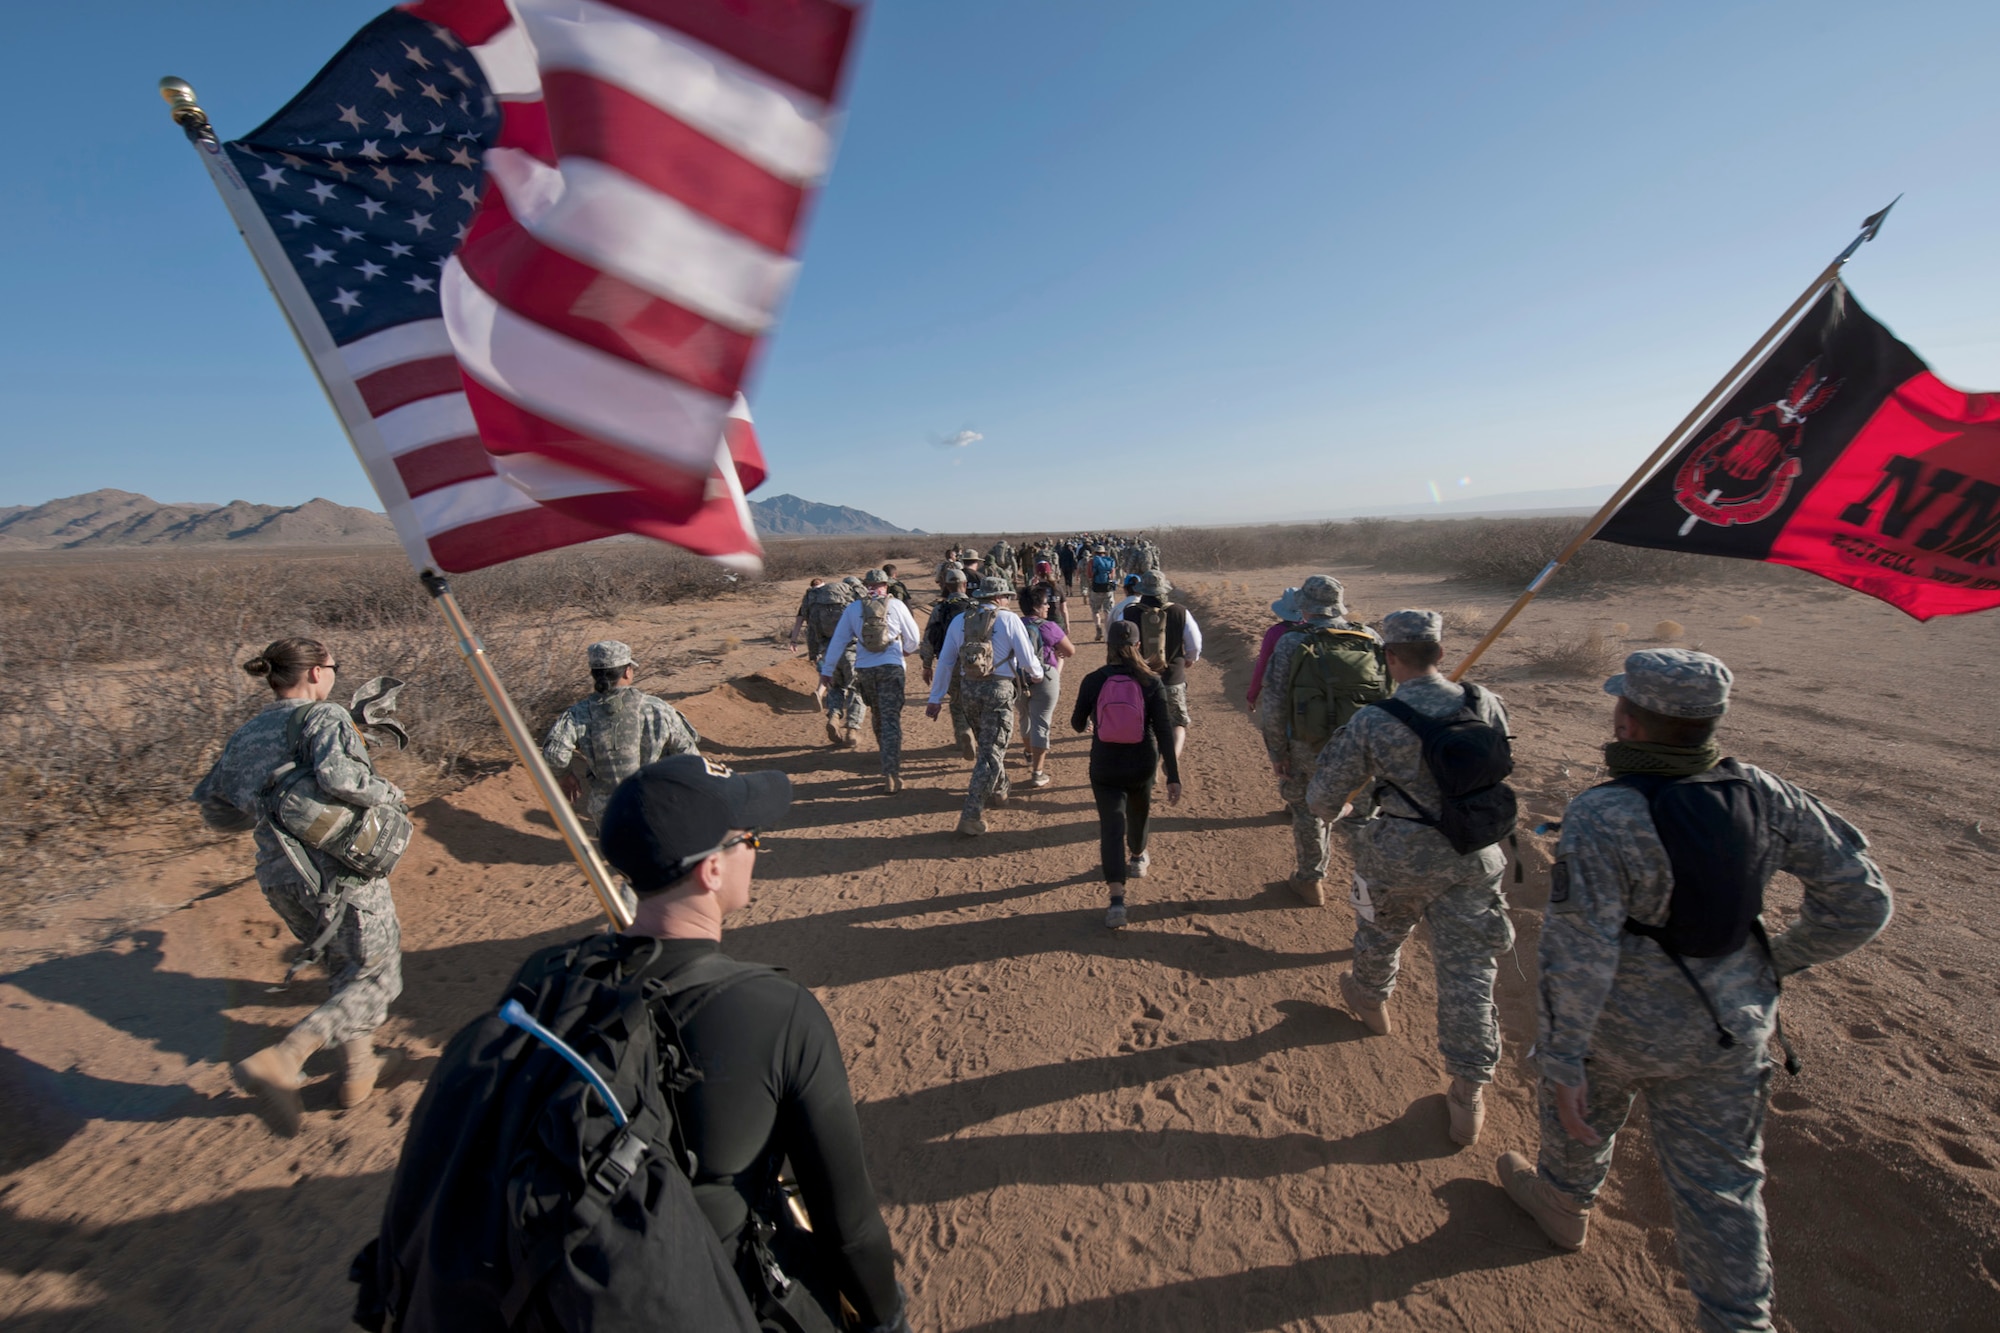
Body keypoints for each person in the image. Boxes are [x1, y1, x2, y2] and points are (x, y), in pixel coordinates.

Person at [1496, 650, 1890, 1333]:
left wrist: (1559, 1058)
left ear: (1629, 721)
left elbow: (1580, 946)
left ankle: (1563, 1201)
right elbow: (1863, 900)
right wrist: (1778, 963)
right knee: (1723, 1189)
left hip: (1618, 1027)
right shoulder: (1763, 793)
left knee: (1581, 1112)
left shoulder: (1604, 812)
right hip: (1728, 1030)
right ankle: (1739, 1320)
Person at [596, 756, 913, 1333]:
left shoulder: (546, 992)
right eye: (752, 838)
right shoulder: (776, 1012)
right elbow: (851, 1229)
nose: (758, 849)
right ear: (711, 870)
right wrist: (886, 1319)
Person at [1305, 609, 1512, 1148]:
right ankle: (1468, 1088)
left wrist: (1345, 814)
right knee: (1469, 969)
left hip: (1399, 852)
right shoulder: (1482, 702)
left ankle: (1371, 998)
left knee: (1379, 929)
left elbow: (1324, 797)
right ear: (1440, 654)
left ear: (1390, 659)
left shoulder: (1376, 719)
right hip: (1475, 854)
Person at [193, 638, 404, 1135]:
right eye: (332, 665)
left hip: (279, 876)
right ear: (313, 673)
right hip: (338, 871)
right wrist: (390, 792)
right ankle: (287, 1057)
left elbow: (215, 810)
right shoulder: (324, 717)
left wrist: (271, 806)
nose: (333, 674)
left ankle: (359, 1070)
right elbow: (342, 779)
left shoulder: (246, 732)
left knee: (343, 965)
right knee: (376, 974)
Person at [1256, 577, 1385, 902]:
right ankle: (1377, 886)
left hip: (1307, 746)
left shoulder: (1291, 642)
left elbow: (1272, 703)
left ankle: (1310, 879)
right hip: (1363, 745)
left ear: (1304, 605)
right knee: (1362, 816)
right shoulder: (1370, 637)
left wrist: (1277, 752)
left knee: (1306, 809)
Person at [1070, 621, 1182, 928]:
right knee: (1139, 812)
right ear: (1137, 645)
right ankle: (1137, 856)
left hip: (1105, 763)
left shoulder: (1094, 680)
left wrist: (1092, 721)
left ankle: (1117, 901)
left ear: (1108, 645)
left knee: (1110, 826)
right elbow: (1163, 730)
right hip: (1142, 762)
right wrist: (1173, 776)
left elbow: (1077, 723)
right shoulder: (1152, 682)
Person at [925, 575, 1044, 837]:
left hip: (969, 690)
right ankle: (971, 813)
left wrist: (935, 698)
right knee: (991, 752)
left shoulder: (960, 620)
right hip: (999, 691)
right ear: (1000, 597)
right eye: (1007, 597)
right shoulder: (1008, 619)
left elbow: (945, 662)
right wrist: (1036, 675)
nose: (1009, 602)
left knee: (989, 747)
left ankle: (1000, 788)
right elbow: (1027, 657)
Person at [542, 640, 702, 821]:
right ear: (627, 671)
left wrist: (564, 776)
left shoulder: (578, 713)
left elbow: (554, 755)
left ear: (594, 674)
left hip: (608, 813)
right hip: (655, 807)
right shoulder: (658, 709)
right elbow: (691, 759)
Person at [820, 570, 923, 793]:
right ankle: (891, 771)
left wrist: (827, 671)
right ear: (886, 585)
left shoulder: (853, 608)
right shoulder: (896, 606)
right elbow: (914, 638)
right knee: (891, 719)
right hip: (892, 668)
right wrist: (904, 652)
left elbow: (838, 642)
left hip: (865, 669)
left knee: (877, 714)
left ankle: (886, 760)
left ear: (866, 585)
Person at [1118, 571, 1203, 765]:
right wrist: (1189, 659)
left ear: (1142, 590)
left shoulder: (1129, 612)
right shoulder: (1180, 611)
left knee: (1144, 726)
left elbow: (1119, 644)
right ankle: (1170, 760)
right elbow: (1195, 645)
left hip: (1140, 680)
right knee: (1178, 723)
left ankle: (1149, 768)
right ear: (1164, 589)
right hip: (1172, 678)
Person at [1017, 585, 1075, 788]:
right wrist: (1057, 655)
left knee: (1024, 717)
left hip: (1018, 677)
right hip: (1045, 677)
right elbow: (1070, 651)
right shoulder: (1048, 627)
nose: (1049, 607)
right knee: (1041, 722)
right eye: (1045, 603)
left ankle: (1028, 752)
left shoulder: (1014, 625)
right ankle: (1037, 772)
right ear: (1036, 606)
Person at [921, 567, 978, 761]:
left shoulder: (940, 608)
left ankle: (962, 733)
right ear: (964, 585)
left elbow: (929, 638)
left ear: (946, 585)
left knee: (956, 702)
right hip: (976, 661)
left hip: (951, 661)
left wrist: (927, 665)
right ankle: (976, 733)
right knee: (976, 699)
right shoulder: (976, 605)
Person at [1246, 586, 1307, 709]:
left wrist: (1252, 696)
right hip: (1308, 691)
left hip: (1281, 691)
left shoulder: (1274, 632)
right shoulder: (1313, 630)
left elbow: (1262, 664)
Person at [1021, 559, 1069, 631]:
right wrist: (1067, 624)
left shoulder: (1035, 589)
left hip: (1040, 622)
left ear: (1037, 573)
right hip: (1057, 621)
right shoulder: (1057, 587)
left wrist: (1031, 585)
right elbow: (1064, 609)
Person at [1084, 544, 1117, 639]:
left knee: (1095, 610)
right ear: (1104, 553)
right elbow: (1113, 575)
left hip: (1096, 589)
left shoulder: (1092, 562)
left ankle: (1098, 628)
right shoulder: (1110, 561)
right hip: (1108, 589)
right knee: (1107, 611)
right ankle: (1107, 633)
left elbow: (1089, 575)